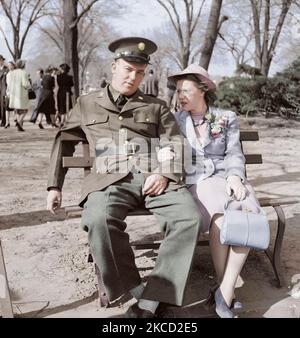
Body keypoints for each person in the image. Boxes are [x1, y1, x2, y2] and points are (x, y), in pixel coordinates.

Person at [46, 37, 202, 318]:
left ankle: (156, 297)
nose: (134, 77)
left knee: (188, 217)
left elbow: (176, 143)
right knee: (97, 220)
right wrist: (54, 185)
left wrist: (164, 173)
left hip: (154, 177)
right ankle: (138, 292)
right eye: (128, 69)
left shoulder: (155, 106)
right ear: (114, 67)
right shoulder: (87, 103)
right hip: (108, 180)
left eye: (140, 72)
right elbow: (64, 140)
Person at [168, 64, 263, 318]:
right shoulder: (174, 121)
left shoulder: (226, 117)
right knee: (220, 219)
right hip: (198, 180)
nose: (180, 96)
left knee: (247, 215)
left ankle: (224, 290)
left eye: (185, 90)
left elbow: (233, 152)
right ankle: (228, 291)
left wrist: (235, 177)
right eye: (178, 91)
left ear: (203, 90)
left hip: (226, 177)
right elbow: (168, 153)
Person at [6, 59, 31, 132]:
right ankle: (19, 122)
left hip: (13, 94)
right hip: (21, 94)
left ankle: (19, 124)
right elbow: (25, 84)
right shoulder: (23, 73)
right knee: (25, 109)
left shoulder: (12, 73)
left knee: (17, 110)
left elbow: (9, 83)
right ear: (23, 65)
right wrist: (30, 86)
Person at [4, 61, 16, 128]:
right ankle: (7, 122)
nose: (9, 66)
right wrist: (6, 92)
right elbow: (7, 85)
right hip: (9, 93)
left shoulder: (16, 74)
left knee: (15, 108)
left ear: (13, 66)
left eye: (11, 65)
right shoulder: (8, 74)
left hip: (15, 93)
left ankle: (16, 121)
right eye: (8, 65)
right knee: (7, 108)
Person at [0, 55, 8, 127]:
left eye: (1, 60)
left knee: (3, 106)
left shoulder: (6, 69)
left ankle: (3, 121)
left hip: (3, 89)